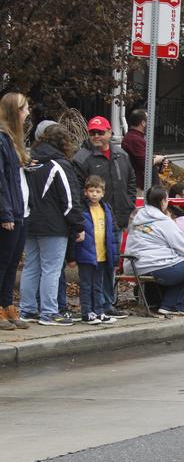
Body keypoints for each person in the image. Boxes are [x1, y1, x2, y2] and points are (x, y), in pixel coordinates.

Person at [19, 124, 85, 327]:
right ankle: (49, 312)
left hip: (29, 222)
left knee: (31, 267)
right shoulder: (59, 164)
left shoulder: (29, 161)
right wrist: (78, 224)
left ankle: (27, 310)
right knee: (51, 269)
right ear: (63, 141)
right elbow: (70, 199)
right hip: (53, 225)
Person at [72, 115, 135, 318]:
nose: (97, 136)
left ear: (110, 132)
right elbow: (77, 192)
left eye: (101, 132)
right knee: (95, 265)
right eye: (93, 132)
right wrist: (84, 221)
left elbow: (131, 181)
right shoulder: (82, 158)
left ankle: (107, 304)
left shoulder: (121, 155)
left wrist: (129, 203)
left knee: (110, 263)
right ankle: (97, 306)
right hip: (94, 223)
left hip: (117, 219)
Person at [124, 185, 184, 317]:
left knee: (183, 265)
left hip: (134, 265)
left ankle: (168, 305)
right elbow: (183, 248)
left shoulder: (137, 218)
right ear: (163, 201)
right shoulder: (163, 221)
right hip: (155, 265)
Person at [0, 92, 30, 331]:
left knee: (12, 264)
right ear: (14, 112)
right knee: (3, 262)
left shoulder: (13, 141)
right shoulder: (1, 140)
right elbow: (1, 180)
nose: (28, 113)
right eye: (24, 109)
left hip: (21, 210)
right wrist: (5, 213)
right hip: (9, 212)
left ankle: (8, 305)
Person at [73, 176, 119, 325]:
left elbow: (112, 232)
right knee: (87, 284)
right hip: (86, 254)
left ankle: (99, 311)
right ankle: (87, 312)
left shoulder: (106, 208)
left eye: (97, 191)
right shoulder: (82, 209)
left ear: (103, 193)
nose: (94, 194)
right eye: (91, 191)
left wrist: (114, 255)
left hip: (102, 253)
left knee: (99, 285)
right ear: (85, 192)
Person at [120, 108, 167, 191]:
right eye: (148, 121)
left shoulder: (134, 137)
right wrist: (157, 159)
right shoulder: (135, 139)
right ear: (143, 123)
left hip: (144, 186)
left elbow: (140, 159)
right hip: (141, 188)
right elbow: (144, 163)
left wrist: (159, 163)